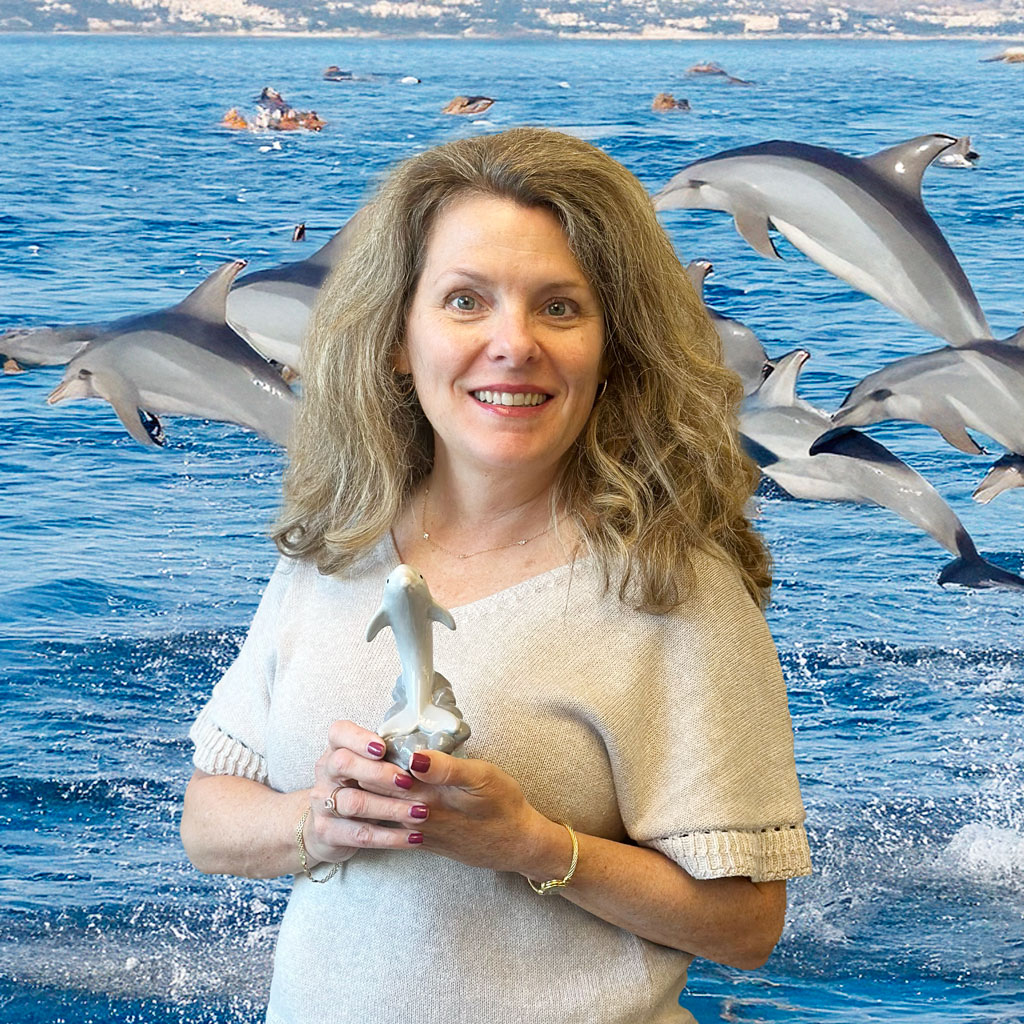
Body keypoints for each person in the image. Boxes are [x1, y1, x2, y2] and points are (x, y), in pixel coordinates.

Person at [180, 126, 812, 1024]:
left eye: (560, 307)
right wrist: (318, 822)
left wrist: (531, 845)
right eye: (465, 301)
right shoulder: (336, 546)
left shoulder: (671, 588)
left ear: (614, 345)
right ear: (399, 337)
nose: (513, 343)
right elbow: (209, 818)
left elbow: (747, 926)